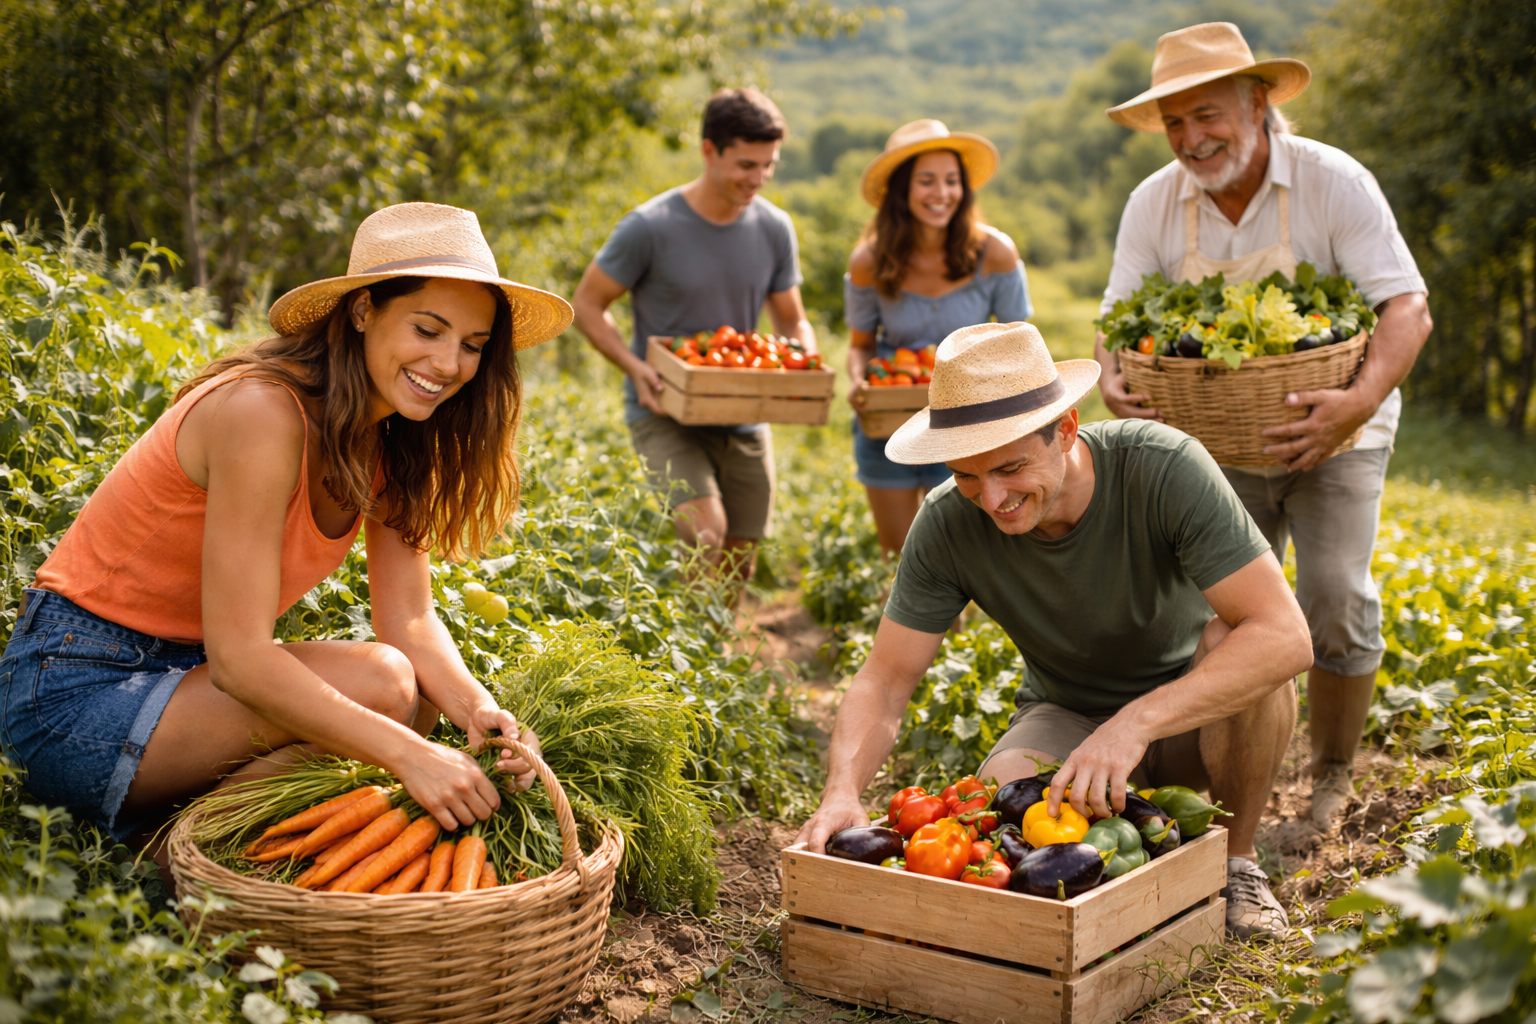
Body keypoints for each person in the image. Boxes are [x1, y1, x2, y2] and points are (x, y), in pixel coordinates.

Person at [0, 202, 571, 860]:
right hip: (74, 691)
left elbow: (410, 621)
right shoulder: (263, 414)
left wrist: (479, 712)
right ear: (362, 311)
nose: (448, 364)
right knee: (388, 693)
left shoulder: (386, 444)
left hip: (189, 682)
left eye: (472, 346)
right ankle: (170, 858)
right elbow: (242, 659)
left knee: (416, 698)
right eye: (428, 329)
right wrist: (411, 758)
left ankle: (181, 834)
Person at [796, 321, 1314, 939]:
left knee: (1238, 643)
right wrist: (841, 793)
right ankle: (1132, 869)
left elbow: (1286, 636)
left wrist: (1136, 724)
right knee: (1006, 795)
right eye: (966, 475)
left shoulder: (1162, 469)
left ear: (1065, 429)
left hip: (1193, 726)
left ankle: (1239, 862)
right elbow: (885, 679)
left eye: (1010, 468)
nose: (991, 499)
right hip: (1067, 717)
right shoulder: (946, 524)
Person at [1092, 23, 1434, 829]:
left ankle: (1333, 772)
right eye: (1175, 123)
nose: (1190, 138)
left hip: (1340, 427)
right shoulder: (1155, 202)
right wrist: (1112, 377)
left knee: (1334, 595)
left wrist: (1352, 404)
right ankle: (1221, 773)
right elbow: (1115, 320)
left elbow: (1406, 309)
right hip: (1216, 443)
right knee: (1225, 617)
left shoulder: (1332, 181)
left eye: (1205, 114)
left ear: (1257, 103)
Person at [571, 87, 817, 592]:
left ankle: (711, 658)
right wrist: (634, 366)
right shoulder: (650, 227)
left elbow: (792, 319)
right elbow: (588, 305)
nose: (759, 178)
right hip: (665, 410)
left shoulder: (774, 228)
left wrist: (804, 360)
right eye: (747, 164)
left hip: (743, 413)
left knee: (739, 558)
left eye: (769, 165)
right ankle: (680, 660)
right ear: (709, 150)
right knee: (706, 534)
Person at [847, 120, 1032, 556]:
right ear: (901, 191)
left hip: (970, 426)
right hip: (889, 424)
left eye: (951, 181)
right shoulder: (869, 261)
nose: (941, 193)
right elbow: (861, 346)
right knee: (900, 556)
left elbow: (1023, 344)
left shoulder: (995, 253)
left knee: (968, 559)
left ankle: (964, 628)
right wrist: (859, 381)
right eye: (926, 181)